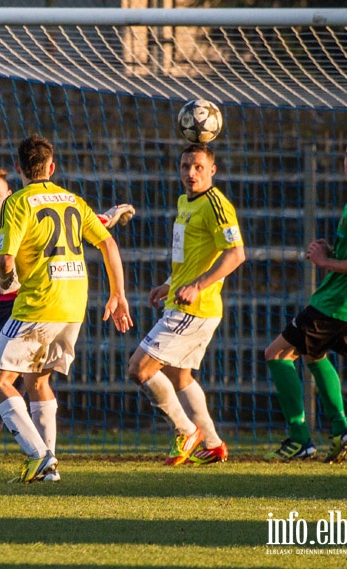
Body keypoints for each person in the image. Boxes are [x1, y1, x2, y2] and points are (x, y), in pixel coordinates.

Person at [0, 163, 136, 465]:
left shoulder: (21, 212)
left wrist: (108, 217)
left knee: (13, 377)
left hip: (26, 305)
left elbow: (68, 223)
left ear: (10, 193)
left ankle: (21, 444)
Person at [0, 134, 131, 483]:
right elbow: (107, 242)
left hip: (40, 303)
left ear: (17, 168)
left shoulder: (17, 203)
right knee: (38, 379)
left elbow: (4, 259)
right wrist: (117, 293)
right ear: (51, 167)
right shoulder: (74, 200)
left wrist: (7, 283)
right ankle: (50, 471)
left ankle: (40, 456)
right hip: (74, 303)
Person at [264, 135, 347, 464]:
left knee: (276, 354)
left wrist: (325, 262)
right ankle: (341, 429)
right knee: (313, 355)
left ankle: (300, 437)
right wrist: (333, 252)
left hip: (339, 301)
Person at [127, 143, 245, 466]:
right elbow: (186, 257)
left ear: (212, 170)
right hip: (182, 301)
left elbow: (236, 254)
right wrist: (170, 284)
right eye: (184, 166)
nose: (190, 173)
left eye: (197, 166)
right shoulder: (184, 202)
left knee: (139, 368)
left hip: (196, 308)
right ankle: (214, 444)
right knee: (181, 378)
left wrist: (198, 285)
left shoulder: (217, 205)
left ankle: (185, 431)